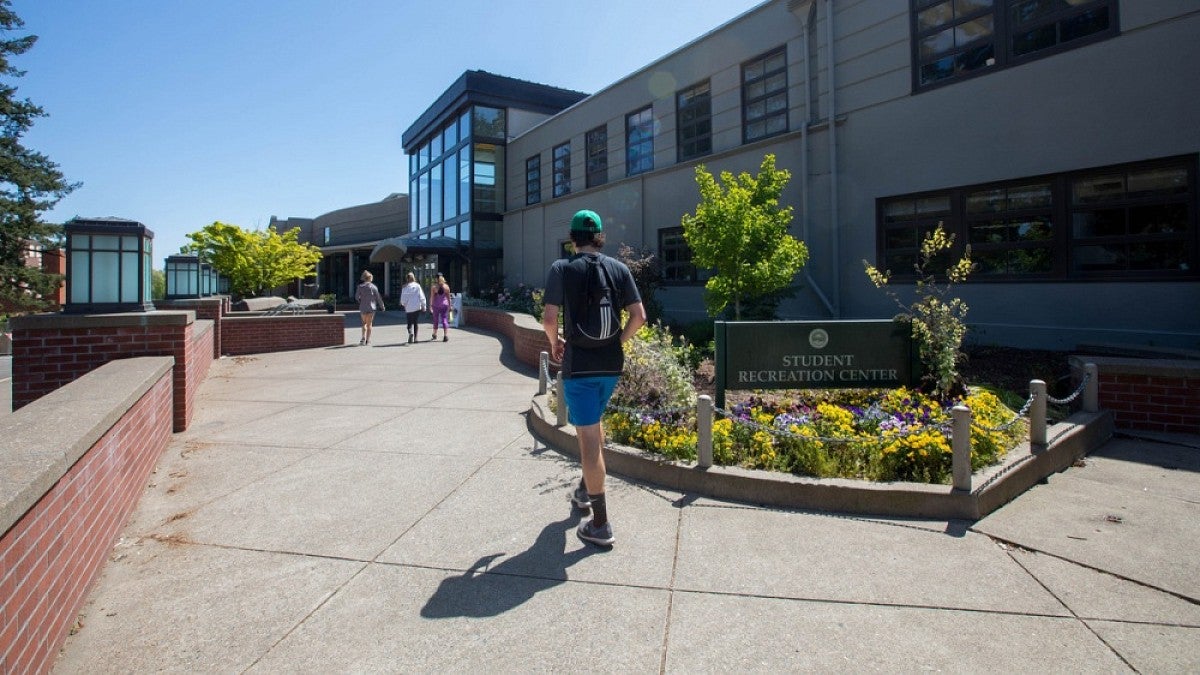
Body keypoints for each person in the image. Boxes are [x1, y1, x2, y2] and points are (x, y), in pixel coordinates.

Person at [542, 209, 645, 547]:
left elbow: (549, 317)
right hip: (610, 364)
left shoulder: (562, 268)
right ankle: (586, 490)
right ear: (600, 236)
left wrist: (556, 343)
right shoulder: (618, 268)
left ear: (573, 238)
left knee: (586, 438)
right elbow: (639, 316)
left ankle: (600, 524)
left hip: (580, 365)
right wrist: (618, 341)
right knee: (595, 422)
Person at [354, 271, 385, 346]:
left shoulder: (360, 287)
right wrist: (382, 306)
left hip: (363, 307)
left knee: (363, 323)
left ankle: (363, 338)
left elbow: (356, 297)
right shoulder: (374, 287)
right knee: (369, 324)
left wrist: (360, 300)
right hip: (371, 308)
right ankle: (368, 340)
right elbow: (378, 298)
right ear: (370, 278)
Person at [400, 272, 427, 343]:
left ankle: (410, 332)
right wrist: (424, 305)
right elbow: (422, 296)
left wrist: (403, 303)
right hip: (417, 306)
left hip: (409, 307)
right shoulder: (417, 286)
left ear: (407, 279)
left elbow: (403, 298)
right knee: (415, 322)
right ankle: (416, 338)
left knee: (409, 323)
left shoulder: (405, 287)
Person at [429, 273, 452, 342]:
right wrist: (450, 306)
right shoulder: (446, 287)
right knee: (444, 319)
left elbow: (432, 297)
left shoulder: (434, 287)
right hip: (444, 305)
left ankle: (434, 334)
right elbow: (448, 298)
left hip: (436, 305)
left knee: (435, 320)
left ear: (436, 279)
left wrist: (430, 306)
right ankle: (445, 335)